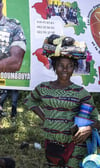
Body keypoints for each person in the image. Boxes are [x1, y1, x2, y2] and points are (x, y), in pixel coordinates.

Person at [24, 35, 100, 167]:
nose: (65, 69)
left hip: (75, 145)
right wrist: (45, 117)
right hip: (51, 144)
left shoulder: (81, 92)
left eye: (70, 66)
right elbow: (30, 101)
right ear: (54, 66)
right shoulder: (44, 88)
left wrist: (88, 127)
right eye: (61, 65)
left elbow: (97, 120)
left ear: (74, 68)